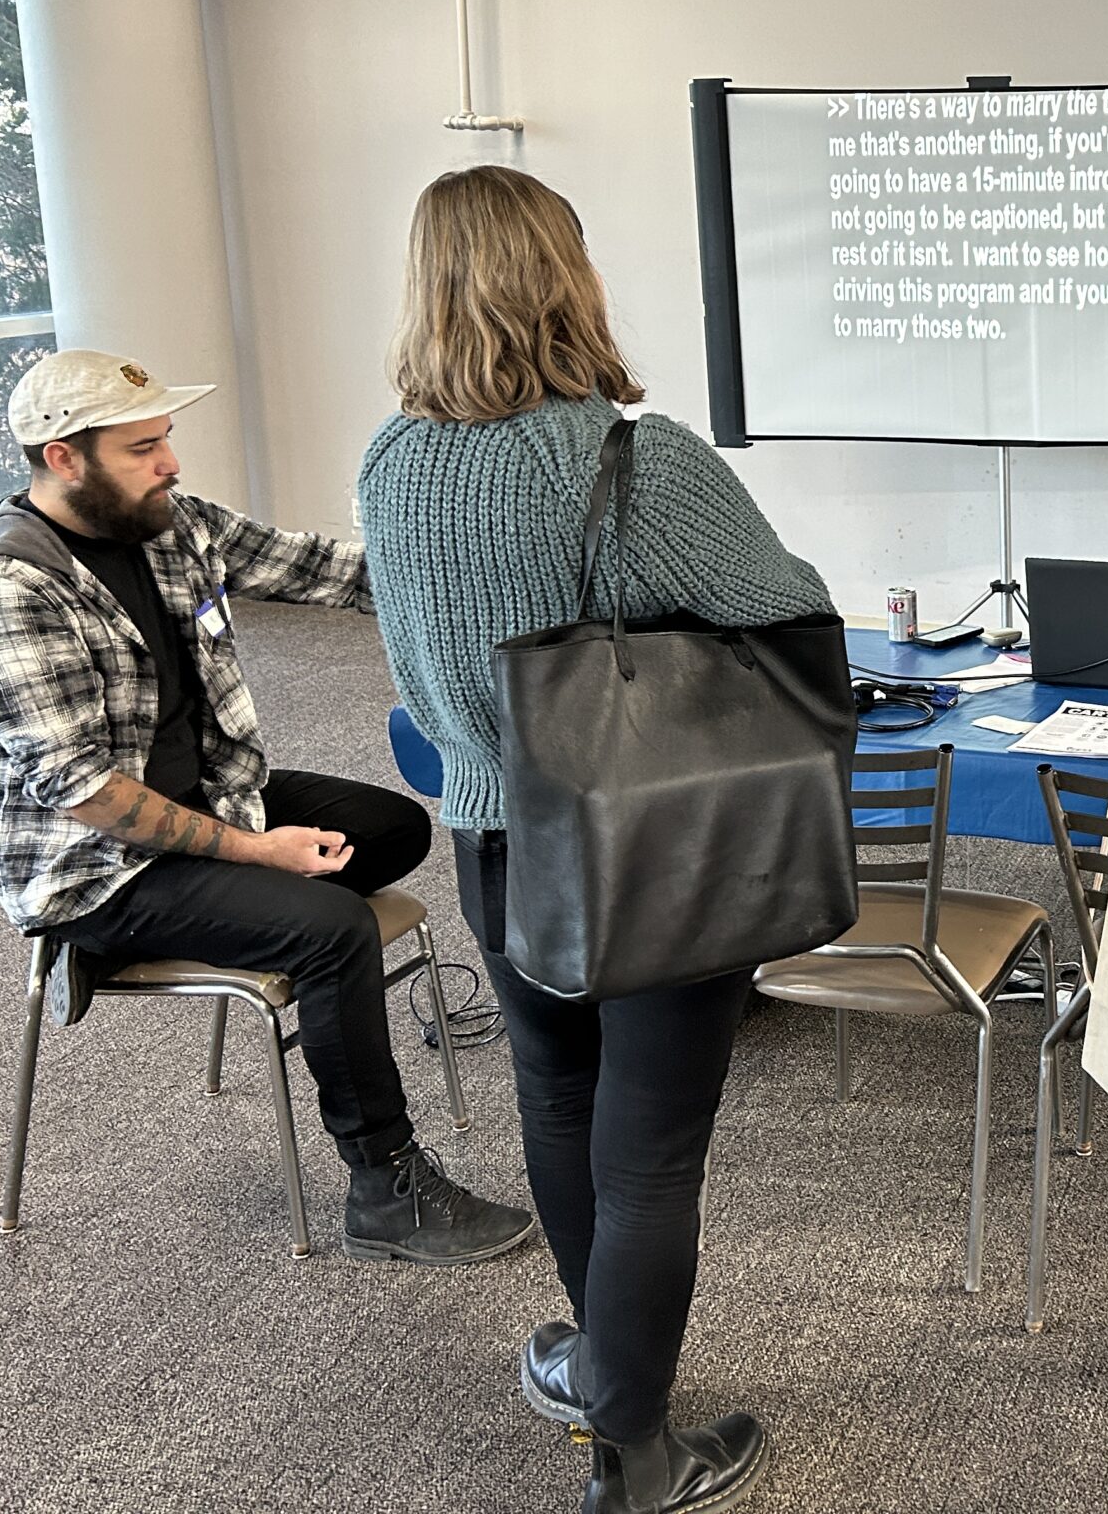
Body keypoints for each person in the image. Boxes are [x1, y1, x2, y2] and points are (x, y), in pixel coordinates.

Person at [357, 165, 835, 1514]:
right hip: (647, 850)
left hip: (497, 843)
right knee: (651, 1154)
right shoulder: (634, 458)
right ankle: (633, 1455)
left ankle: (600, 1370)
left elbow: (424, 655)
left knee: (559, 1107)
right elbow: (787, 609)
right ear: (567, 279)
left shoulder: (389, 459)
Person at [0, 350, 533, 1265]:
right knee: (331, 930)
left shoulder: (167, 525)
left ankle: (279, 933)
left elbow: (324, 570)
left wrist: (489, 591)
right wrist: (263, 855)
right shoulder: (6, 592)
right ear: (63, 458)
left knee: (399, 825)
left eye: (165, 438)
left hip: (201, 800)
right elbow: (86, 793)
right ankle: (385, 1188)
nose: (170, 462)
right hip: (95, 872)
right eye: (143, 448)